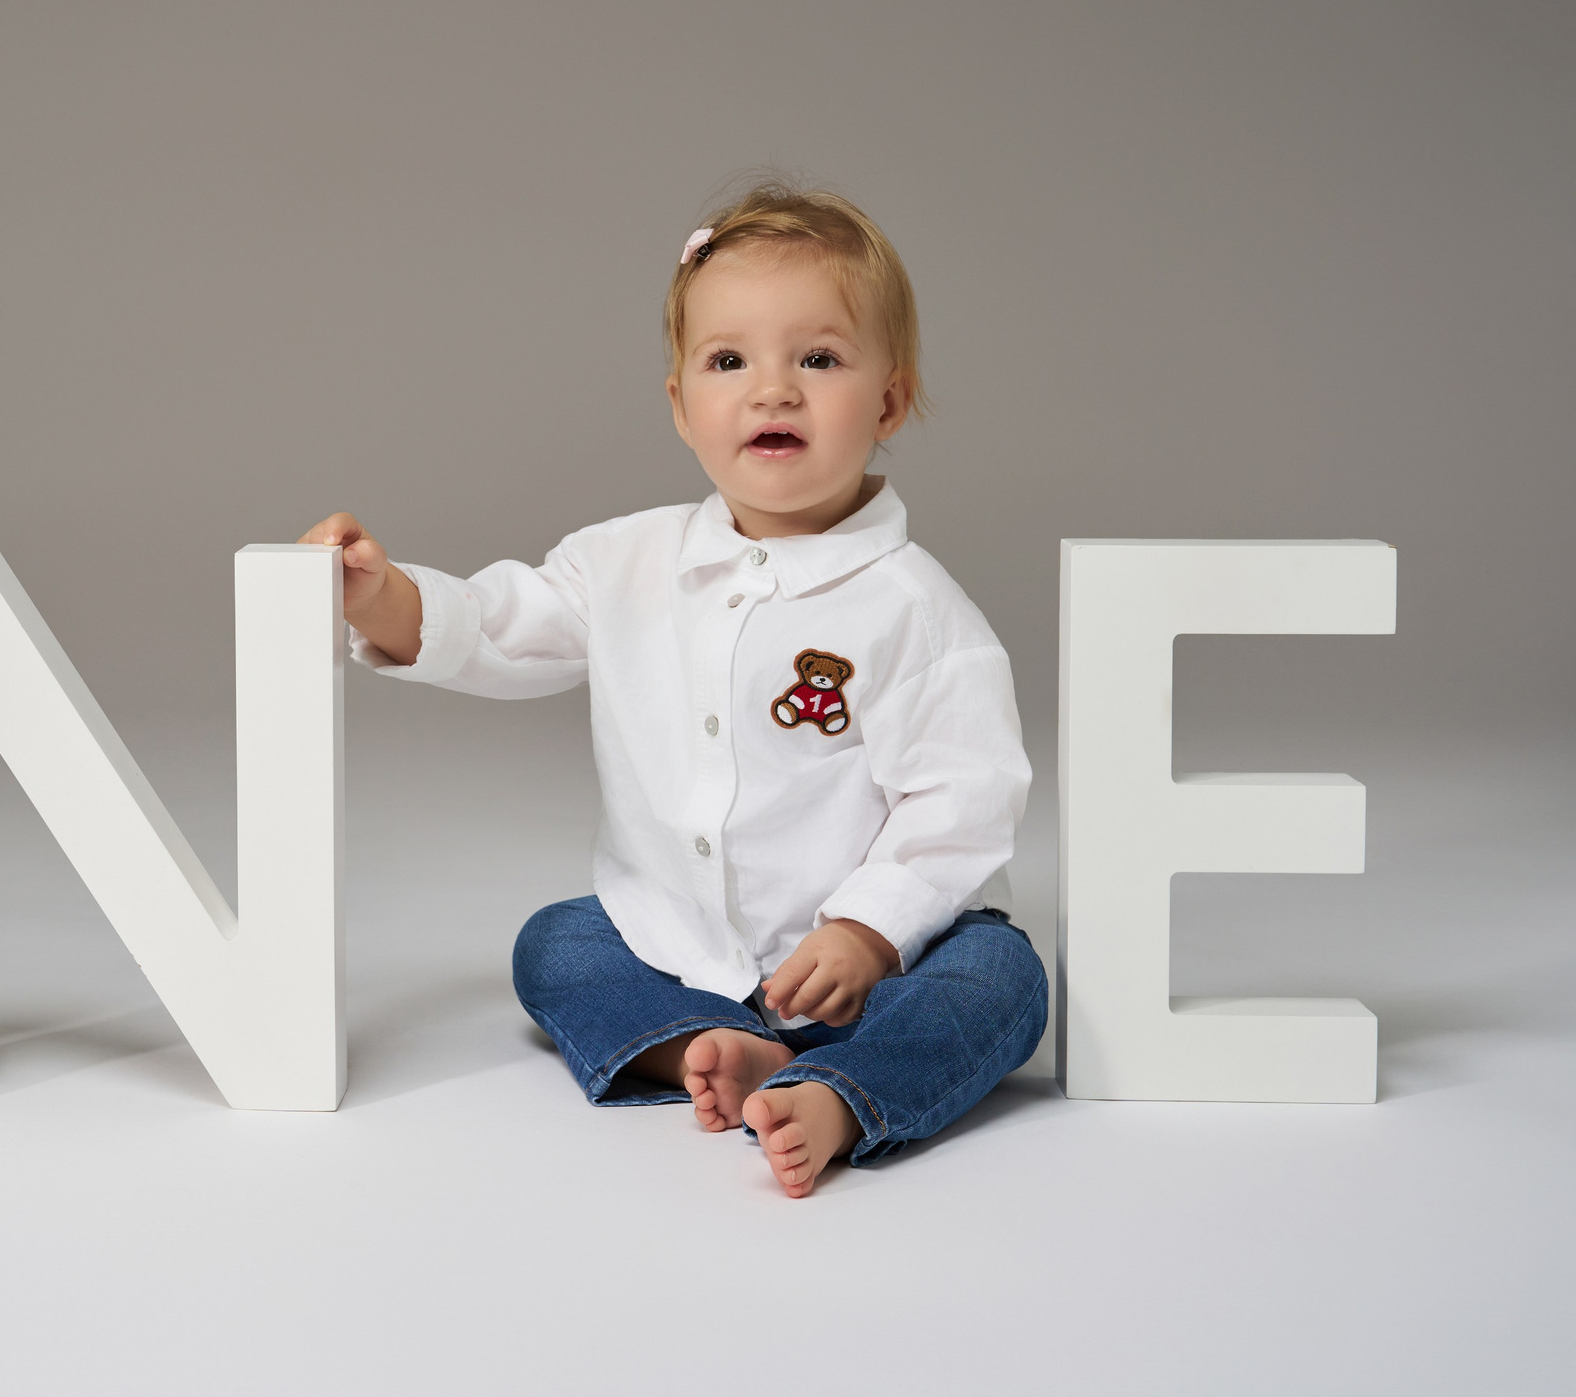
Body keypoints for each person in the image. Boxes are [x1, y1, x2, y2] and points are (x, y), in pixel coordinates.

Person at [300, 179, 1046, 1197]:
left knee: (1000, 983)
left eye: (817, 359)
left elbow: (963, 796)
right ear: (681, 405)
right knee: (557, 942)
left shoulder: (914, 606)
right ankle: (714, 1042)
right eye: (728, 360)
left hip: (880, 963)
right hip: (685, 939)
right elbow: (497, 628)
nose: (772, 389)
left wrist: (868, 928)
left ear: (888, 400)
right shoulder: (623, 561)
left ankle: (841, 1091)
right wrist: (380, 596)